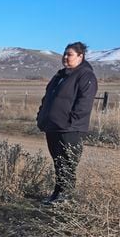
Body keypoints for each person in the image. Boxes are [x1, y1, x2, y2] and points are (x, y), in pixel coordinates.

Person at [37, 41, 98, 204]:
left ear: (80, 56)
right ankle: (56, 195)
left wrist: (70, 121)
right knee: (58, 163)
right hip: (52, 126)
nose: (65, 57)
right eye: (64, 54)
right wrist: (41, 116)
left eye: (69, 54)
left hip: (70, 129)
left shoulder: (86, 75)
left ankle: (66, 197)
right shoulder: (59, 76)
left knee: (68, 163)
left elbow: (84, 103)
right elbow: (47, 98)